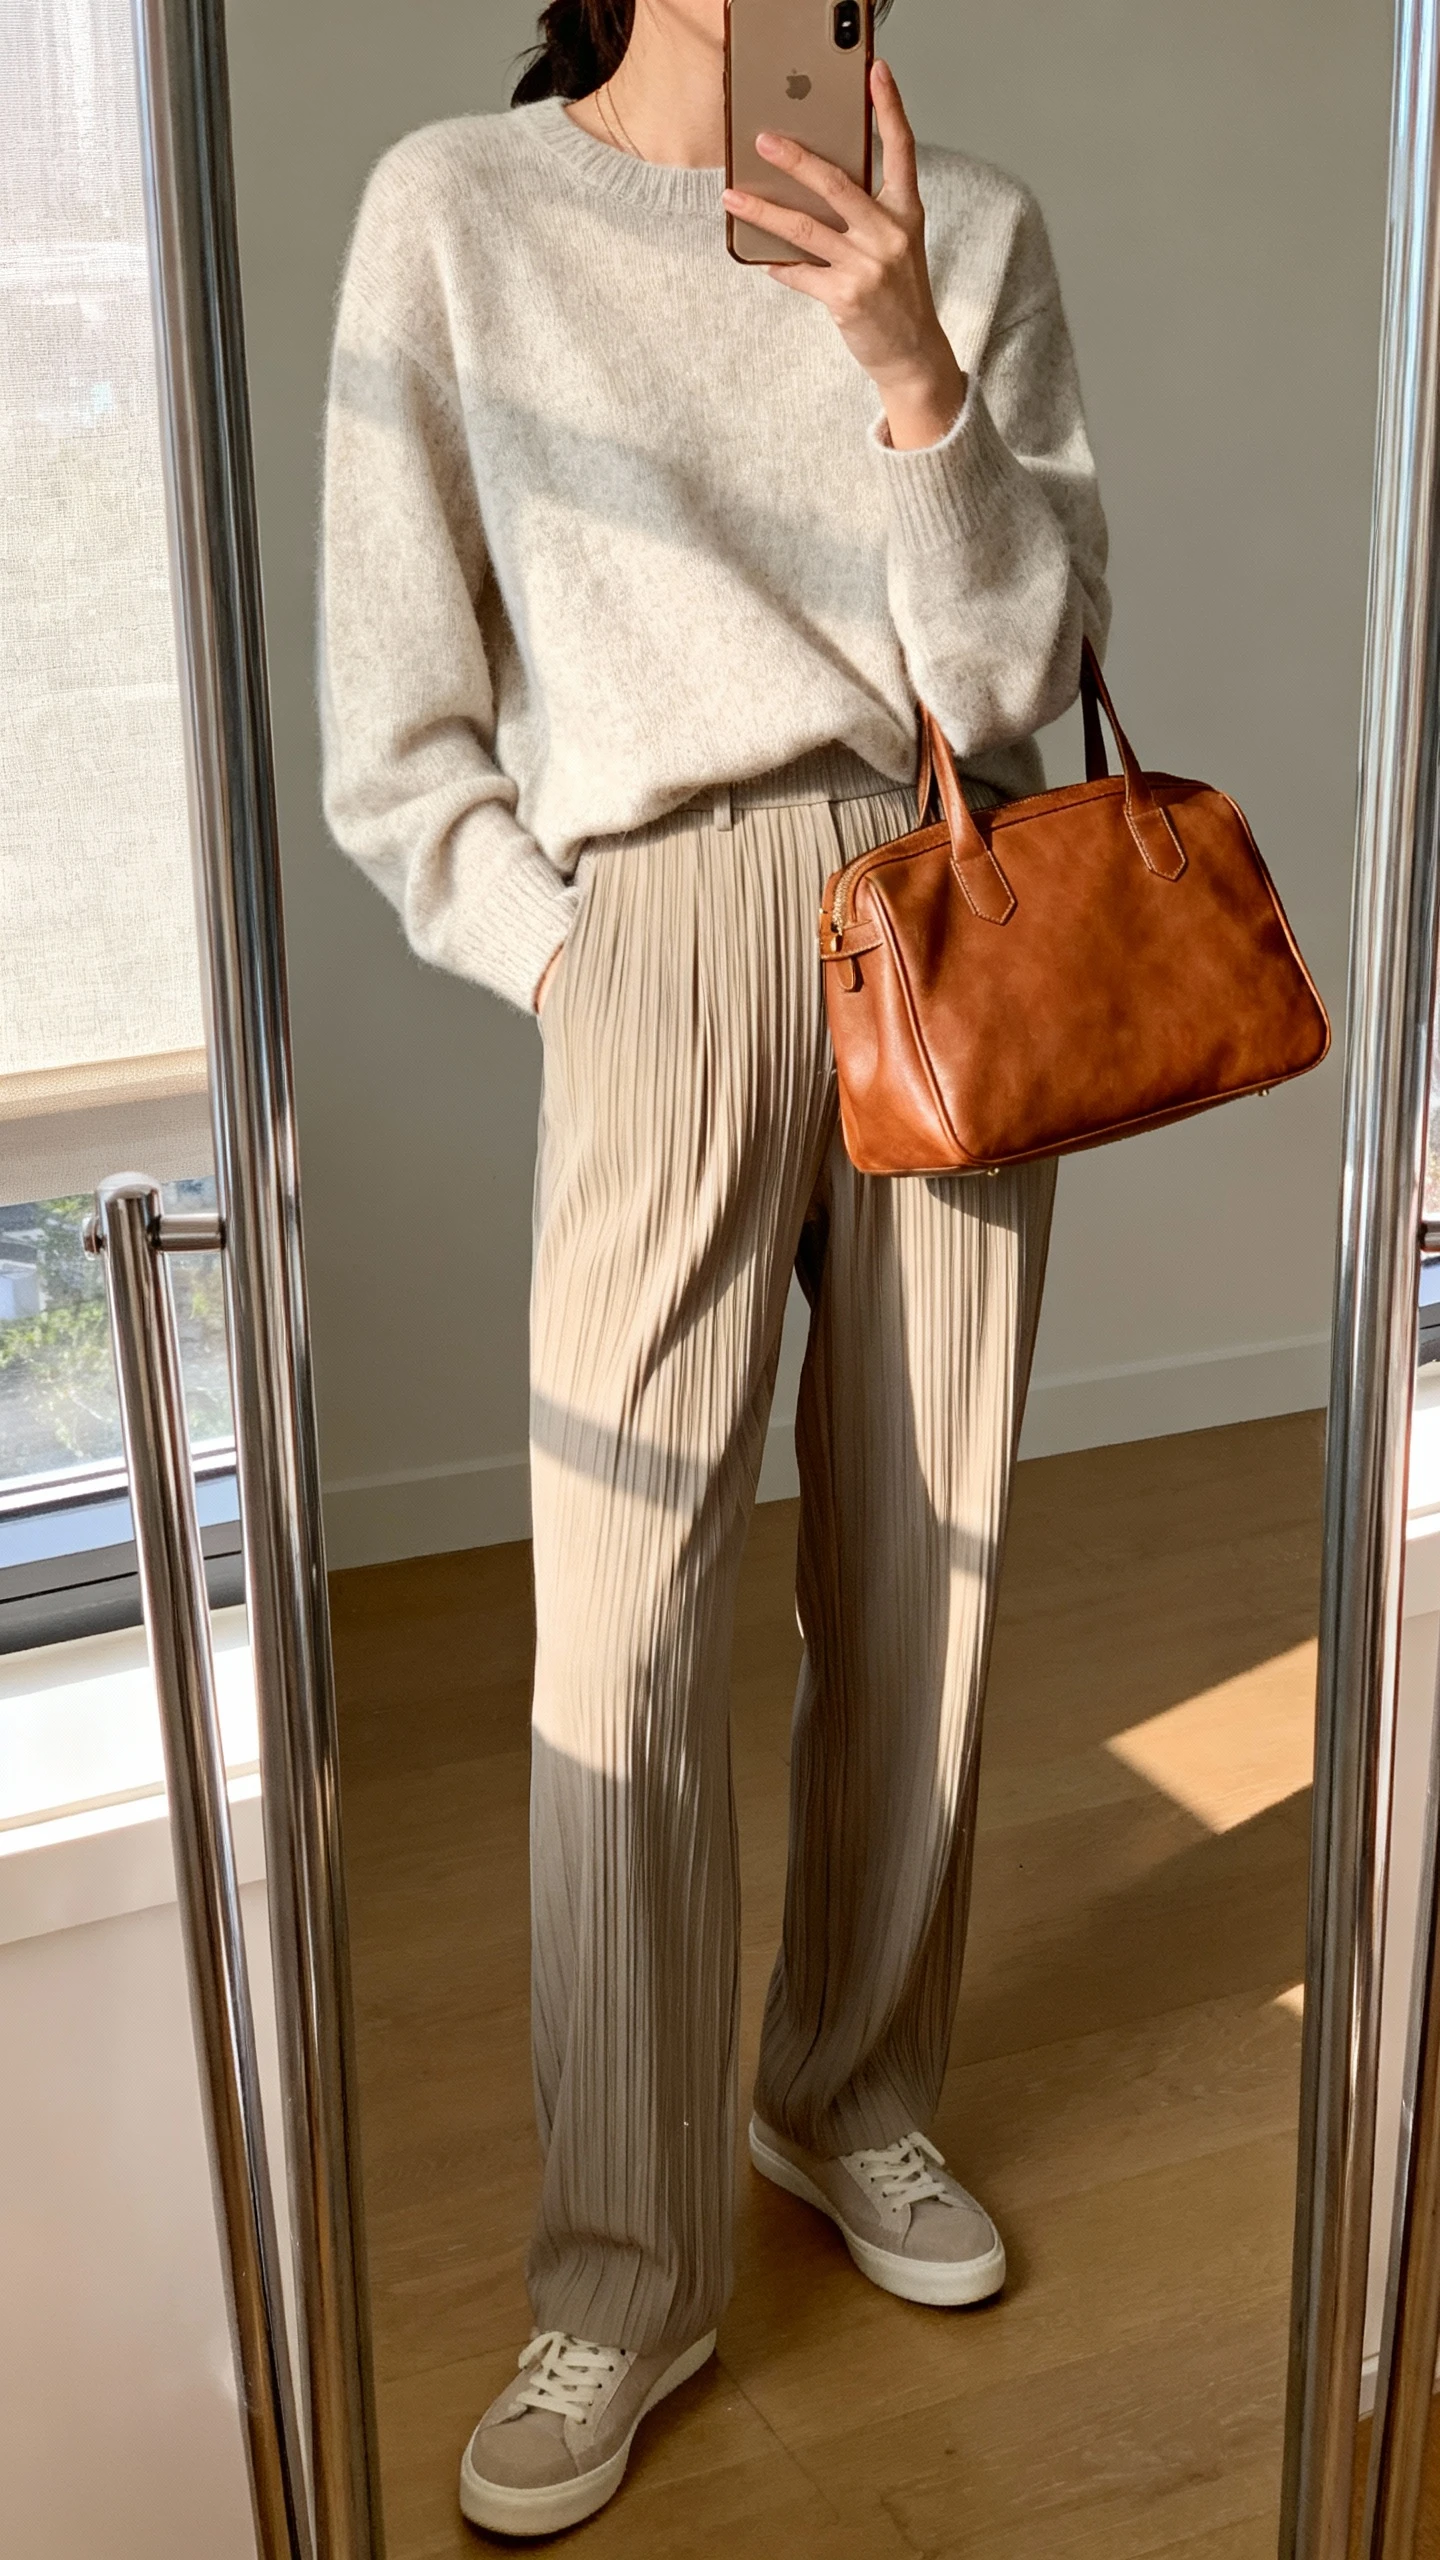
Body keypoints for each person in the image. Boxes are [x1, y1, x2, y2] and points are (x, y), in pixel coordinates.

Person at [321, 0, 1109, 2535]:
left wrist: (904, 366)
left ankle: (847, 2087)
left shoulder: (967, 231)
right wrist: (572, 955)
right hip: (648, 931)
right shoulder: (463, 208)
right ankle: (622, 2261)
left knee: (928, 1579)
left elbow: (1021, 675)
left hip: (941, 916)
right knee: (618, 1629)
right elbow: (396, 715)